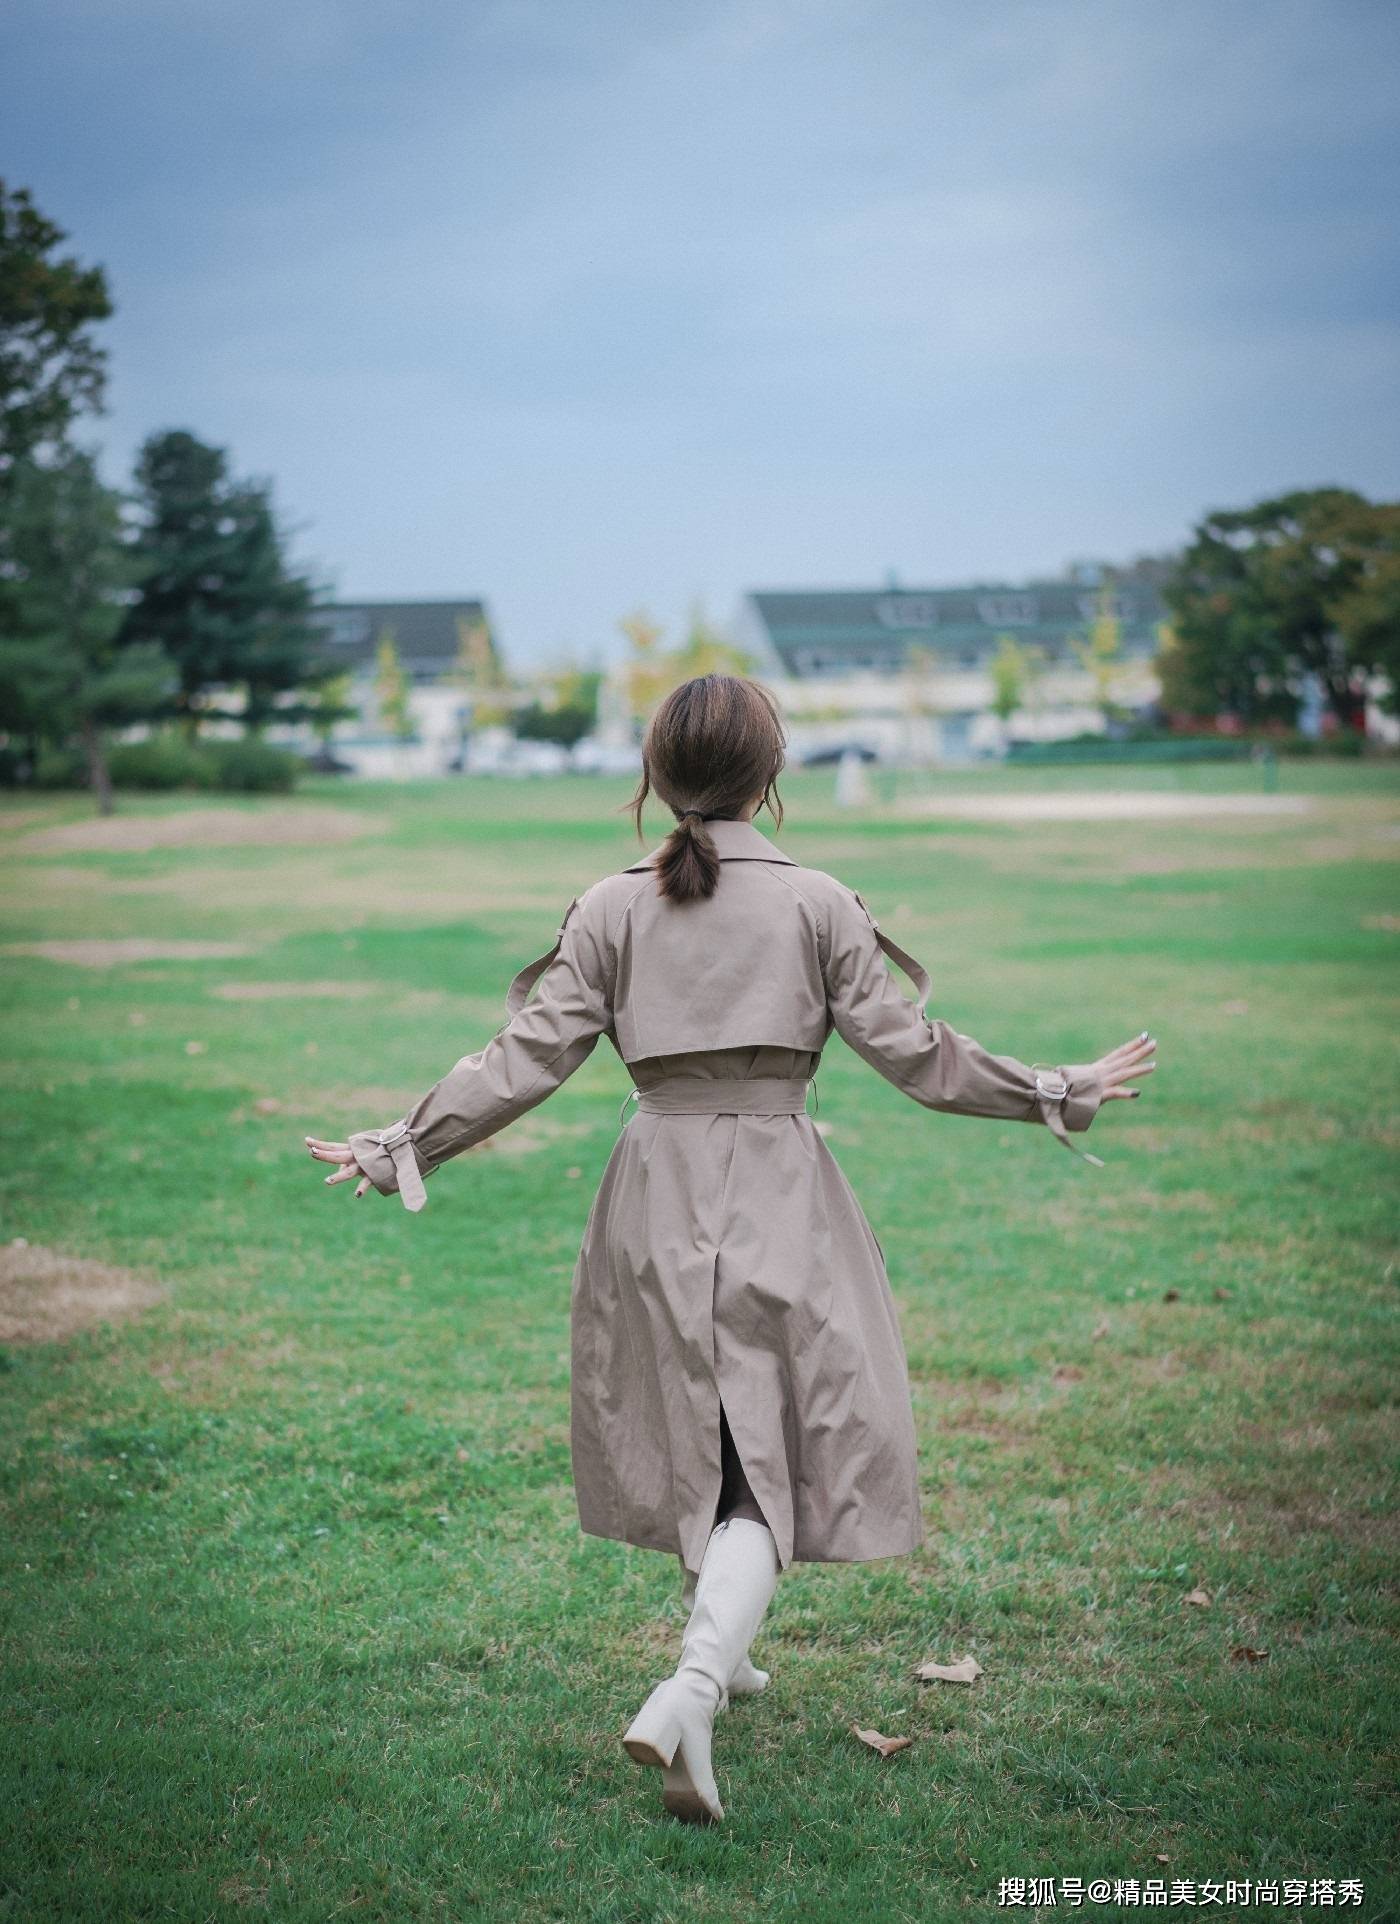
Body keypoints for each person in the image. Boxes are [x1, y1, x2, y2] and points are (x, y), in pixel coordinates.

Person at [305, 673, 1155, 1826]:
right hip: (776, 1191)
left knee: (706, 1424)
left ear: (653, 779)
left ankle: (728, 1653)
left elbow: (523, 1059)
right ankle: (694, 1685)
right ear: (771, 774)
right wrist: (1054, 1087)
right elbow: (920, 1057)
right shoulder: (814, 902)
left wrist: (403, 1139)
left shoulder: (609, 906)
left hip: (651, 1190)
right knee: (762, 1460)